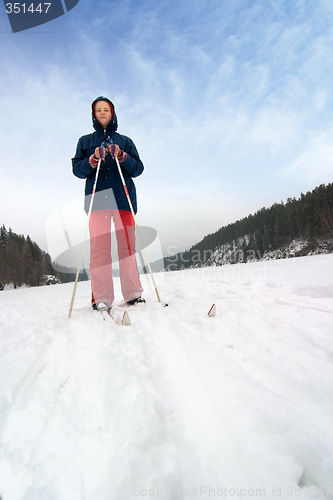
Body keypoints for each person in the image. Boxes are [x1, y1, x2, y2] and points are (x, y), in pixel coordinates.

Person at [72, 96, 145, 311]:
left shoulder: (125, 141)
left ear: (112, 113)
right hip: (97, 201)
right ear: (94, 115)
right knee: (100, 250)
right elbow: (77, 170)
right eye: (98, 110)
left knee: (127, 247)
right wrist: (92, 160)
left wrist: (122, 156)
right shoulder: (85, 141)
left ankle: (132, 293)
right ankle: (102, 296)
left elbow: (138, 169)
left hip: (123, 199)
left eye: (106, 109)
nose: (103, 113)